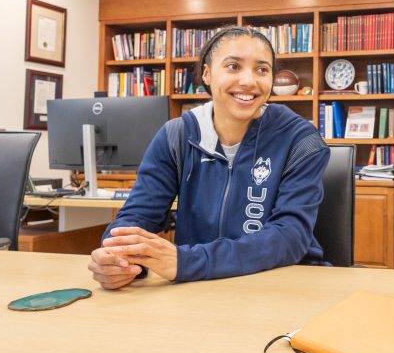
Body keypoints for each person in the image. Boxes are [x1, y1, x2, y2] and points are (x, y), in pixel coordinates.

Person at [88, 26, 330, 286]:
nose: (249, 80)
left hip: (283, 282)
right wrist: (119, 258)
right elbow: (136, 216)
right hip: (199, 287)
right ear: (207, 73)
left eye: (262, 69)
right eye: (233, 66)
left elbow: (290, 237)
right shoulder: (177, 136)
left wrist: (188, 262)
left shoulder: (299, 139)